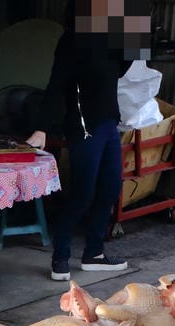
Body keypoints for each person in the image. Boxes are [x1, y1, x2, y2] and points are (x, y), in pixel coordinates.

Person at [27, 0, 149, 281]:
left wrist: (134, 24)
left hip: (107, 122)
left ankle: (94, 252)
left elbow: (124, 67)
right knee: (83, 192)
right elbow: (56, 85)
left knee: (110, 188)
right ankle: (60, 256)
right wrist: (42, 127)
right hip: (83, 126)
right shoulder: (72, 40)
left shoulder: (112, 39)